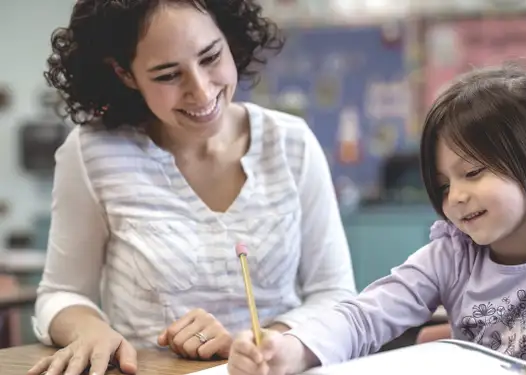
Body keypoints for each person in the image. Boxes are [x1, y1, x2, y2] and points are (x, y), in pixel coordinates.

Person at [28, 1, 357, 375]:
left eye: (211, 56)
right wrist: (91, 329)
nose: (201, 92)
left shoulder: (291, 144)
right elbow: (60, 293)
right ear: (125, 73)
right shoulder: (92, 154)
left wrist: (262, 340)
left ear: (229, 39)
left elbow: (336, 295)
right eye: (168, 75)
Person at [228, 66, 526, 375]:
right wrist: (290, 350)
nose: (455, 197)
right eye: (442, 186)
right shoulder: (454, 253)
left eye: (472, 172)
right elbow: (365, 316)